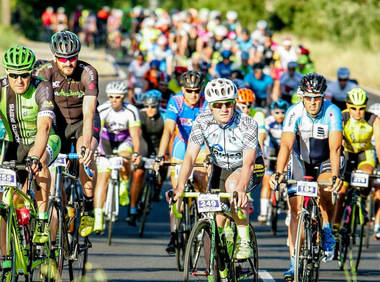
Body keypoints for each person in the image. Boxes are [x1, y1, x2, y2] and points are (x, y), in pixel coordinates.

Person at [174, 78, 264, 259]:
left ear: (234, 103)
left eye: (229, 104)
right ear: (210, 106)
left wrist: (241, 188)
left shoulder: (247, 123)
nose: (224, 109)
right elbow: (190, 156)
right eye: (218, 105)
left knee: (233, 187)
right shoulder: (202, 121)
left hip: (247, 167)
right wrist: (179, 186)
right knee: (216, 220)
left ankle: (244, 239)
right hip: (220, 166)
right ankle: (219, 268)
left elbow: (248, 163)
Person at [270, 73, 344, 280]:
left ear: (323, 97)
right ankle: (294, 262)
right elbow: (285, 145)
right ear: (301, 96)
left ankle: (327, 227)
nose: (313, 102)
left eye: (317, 97)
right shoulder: (294, 112)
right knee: (295, 209)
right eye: (309, 97)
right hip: (300, 160)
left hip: (325, 159)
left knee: (327, 189)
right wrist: (278, 172)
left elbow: (335, 148)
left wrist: (336, 175)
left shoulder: (332, 112)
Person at [35, 30, 100, 237]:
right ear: (55, 57)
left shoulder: (88, 72)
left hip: (82, 122)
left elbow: (89, 112)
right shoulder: (44, 73)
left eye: (72, 58)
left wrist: (87, 145)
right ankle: (59, 209)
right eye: (63, 59)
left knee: (85, 156)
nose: (68, 63)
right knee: (54, 177)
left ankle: (89, 206)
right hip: (57, 124)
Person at [0, 46, 61, 244]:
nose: (19, 80)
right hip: (14, 144)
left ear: (31, 73)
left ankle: (43, 221)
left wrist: (34, 156)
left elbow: (44, 127)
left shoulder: (42, 88)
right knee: (5, 204)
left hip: (44, 141)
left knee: (40, 163)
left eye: (24, 75)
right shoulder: (1, 89)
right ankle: (5, 259)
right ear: (7, 73)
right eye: (14, 75)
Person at [156, 70, 208, 254]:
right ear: (182, 90)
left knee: (202, 177)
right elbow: (169, 130)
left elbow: (211, 134)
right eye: (189, 91)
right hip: (182, 145)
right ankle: (174, 234)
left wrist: (208, 156)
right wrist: (161, 155)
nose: (193, 95)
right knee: (177, 188)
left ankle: (204, 215)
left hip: (202, 146)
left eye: (197, 91)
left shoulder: (206, 103)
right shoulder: (176, 101)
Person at [94, 81, 141, 232]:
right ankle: (98, 216)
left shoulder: (131, 110)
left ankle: (124, 185)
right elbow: (97, 132)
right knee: (103, 176)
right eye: (111, 97)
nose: (114, 100)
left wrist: (136, 153)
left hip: (124, 140)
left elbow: (135, 135)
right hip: (106, 140)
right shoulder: (103, 109)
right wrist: (96, 151)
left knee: (125, 156)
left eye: (118, 97)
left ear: (123, 97)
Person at [332, 88, 380, 239]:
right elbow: (336, 144)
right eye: (353, 108)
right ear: (347, 105)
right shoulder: (341, 117)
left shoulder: (374, 119)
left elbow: (379, 144)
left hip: (364, 153)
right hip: (346, 153)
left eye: (361, 108)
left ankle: (363, 200)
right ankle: (335, 227)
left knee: (367, 174)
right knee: (341, 194)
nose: (358, 112)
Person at [258, 100, 289, 223]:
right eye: (277, 112)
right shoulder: (268, 121)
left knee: (287, 178)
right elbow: (261, 138)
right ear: (272, 112)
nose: (280, 115)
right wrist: (262, 157)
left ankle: (288, 207)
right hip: (270, 149)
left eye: (282, 112)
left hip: (284, 149)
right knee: (266, 181)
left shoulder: (288, 121)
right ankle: (264, 212)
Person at [139, 90, 167, 201]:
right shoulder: (139, 114)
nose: (149, 109)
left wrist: (166, 154)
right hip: (144, 143)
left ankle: (158, 187)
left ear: (159, 105)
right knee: (139, 168)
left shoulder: (164, 115)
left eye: (153, 107)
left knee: (164, 165)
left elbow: (169, 135)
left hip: (159, 144)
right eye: (147, 106)